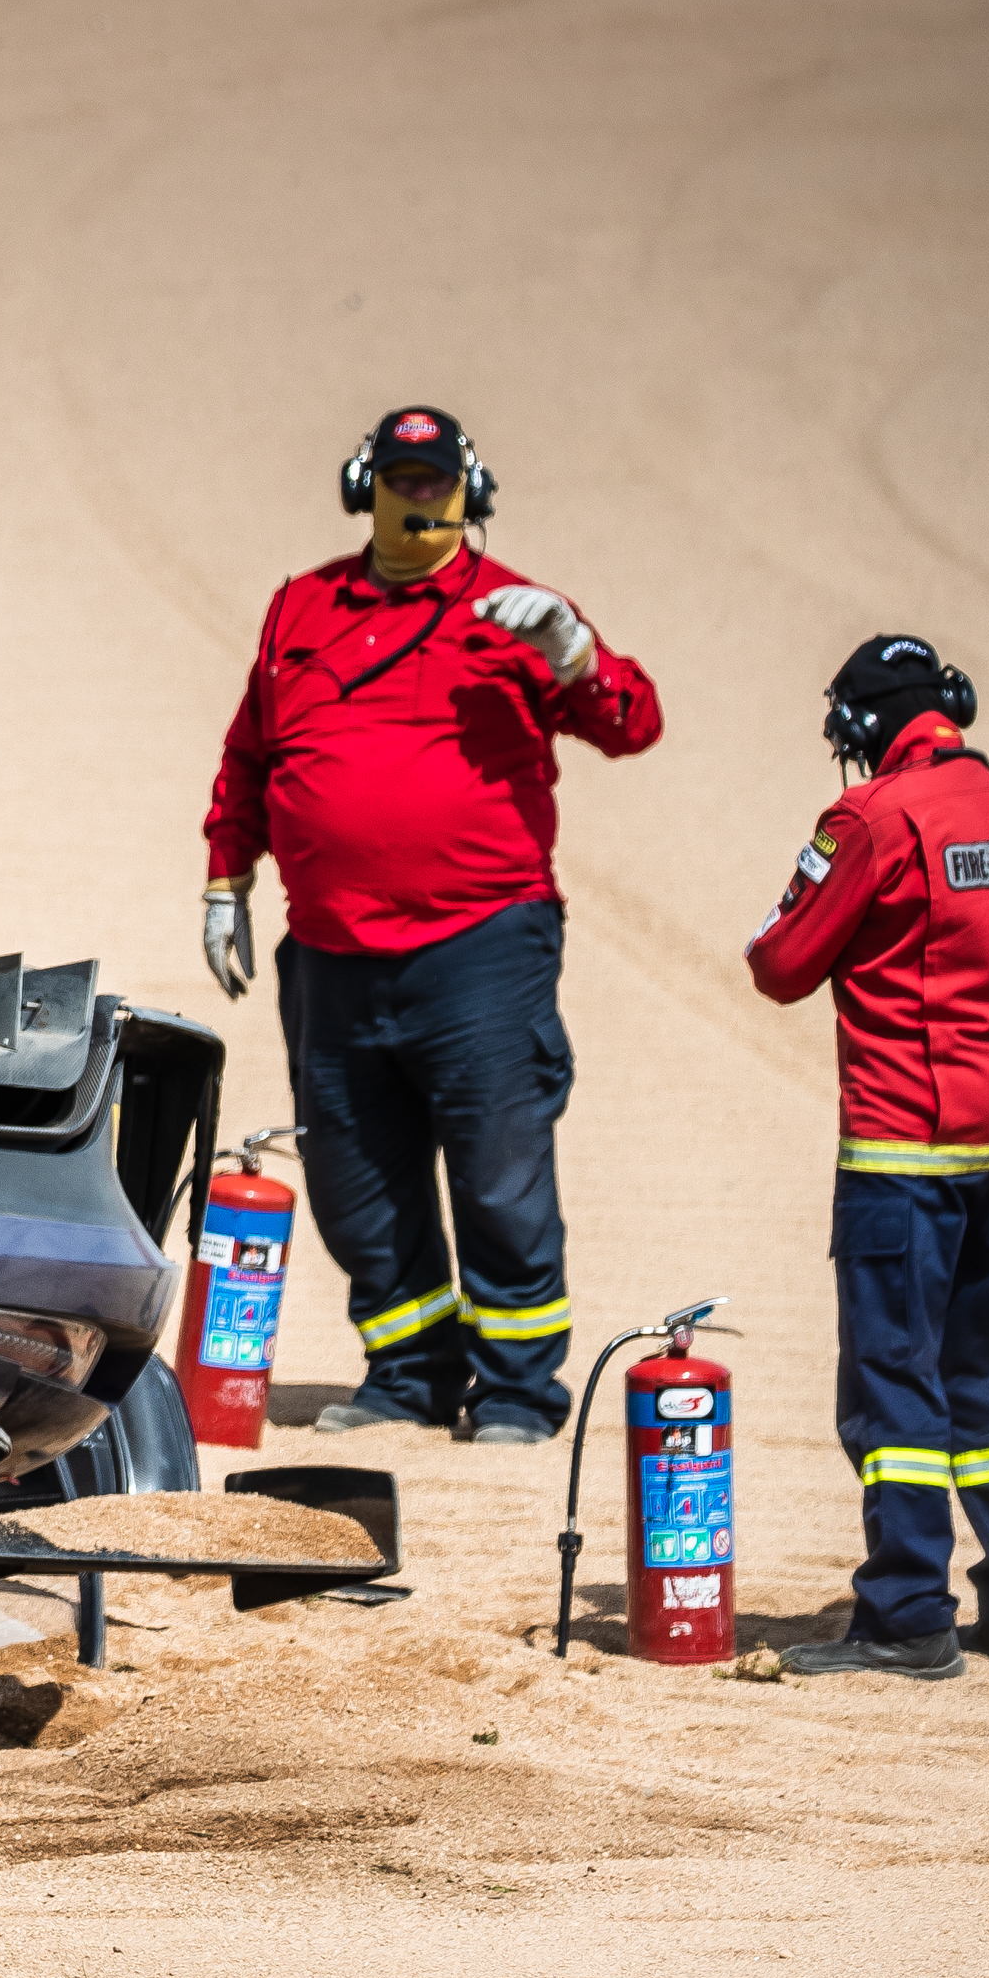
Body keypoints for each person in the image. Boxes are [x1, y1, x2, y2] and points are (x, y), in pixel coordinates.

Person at [200, 405, 664, 1444]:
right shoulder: (301, 608)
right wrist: (224, 877)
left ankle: (516, 1392)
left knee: (499, 1176)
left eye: (436, 479)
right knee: (353, 1178)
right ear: (364, 484)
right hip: (329, 950)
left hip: (480, 945)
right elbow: (249, 755)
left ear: (470, 491)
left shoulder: (516, 611)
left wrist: (577, 657)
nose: (418, 496)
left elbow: (631, 725)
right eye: (401, 478)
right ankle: (407, 1373)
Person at [746, 637, 989, 1676]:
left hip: (904, 1154)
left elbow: (781, 966)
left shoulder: (869, 821)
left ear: (862, 732)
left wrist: (785, 919)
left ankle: (907, 1616)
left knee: (894, 1392)